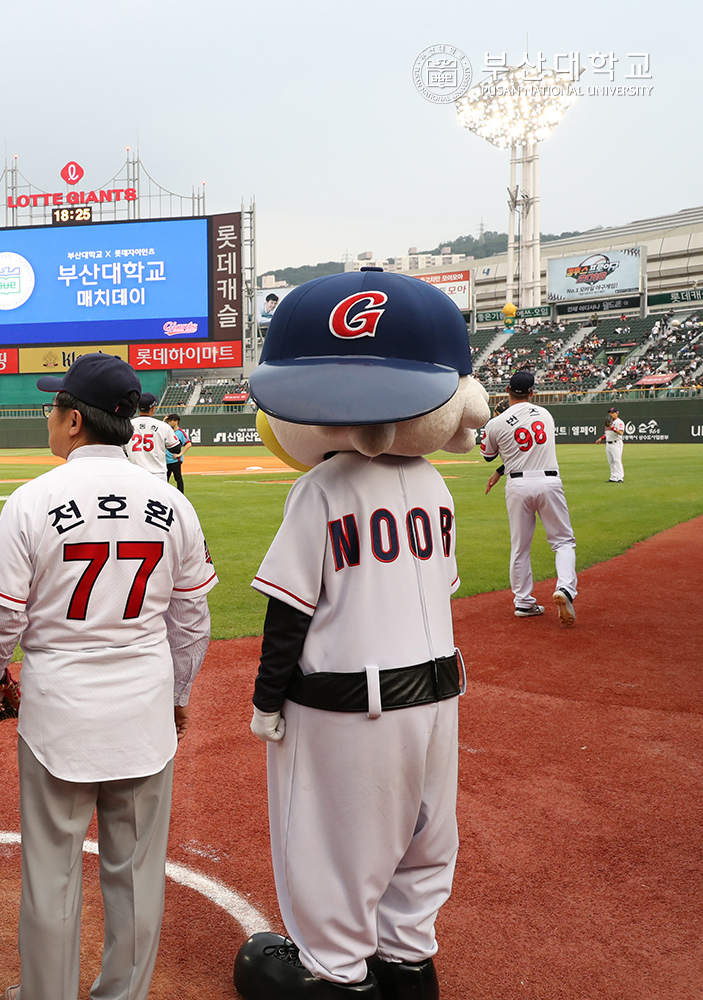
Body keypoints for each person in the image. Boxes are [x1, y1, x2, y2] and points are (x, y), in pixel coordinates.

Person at [236, 267, 491, 1000]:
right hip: (439, 699)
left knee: (327, 862)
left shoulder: (321, 487)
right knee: (420, 859)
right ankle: (408, 970)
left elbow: (290, 612)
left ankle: (335, 977)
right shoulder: (435, 483)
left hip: (347, 708)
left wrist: (266, 699)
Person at [0, 352, 217, 1000]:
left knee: (51, 876)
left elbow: (0, 618)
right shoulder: (172, 505)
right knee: (135, 878)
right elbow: (192, 624)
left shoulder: (30, 502)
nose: (49, 416)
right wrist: (180, 695)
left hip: (59, 716)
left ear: (75, 421)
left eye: (55, 407)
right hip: (142, 710)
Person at [482, 369, 578, 626]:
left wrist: (500, 467)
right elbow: (532, 449)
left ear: (507, 391)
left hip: (517, 485)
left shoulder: (497, 422)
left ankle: (523, 602)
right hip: (548, 482)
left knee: (520, 547)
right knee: (563, 542)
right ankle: (565, 589)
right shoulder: (546, 414)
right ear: (533, 392)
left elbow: (488, 455)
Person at [124, 392, 179, 480]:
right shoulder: (163, 426)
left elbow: (122, 450)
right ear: (153, 408)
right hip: (158, 475)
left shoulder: (127, 425)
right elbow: (176, 449)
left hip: (135, 474)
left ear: (137, 407)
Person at [597, 406, 624, 482]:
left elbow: (621, 432)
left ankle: (620, 477)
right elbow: (607, 433)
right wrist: (601, 438)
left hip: (616, 443)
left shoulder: (619, 422)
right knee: (611, 461)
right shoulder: (609, 422)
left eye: (612, 412)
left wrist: (612, 427)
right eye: (610, 412)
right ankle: (613, 477)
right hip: (608, 444)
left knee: (617, 460)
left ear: (617, 413)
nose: (611, 414)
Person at [163, 413, 189, 493]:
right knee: (164, 479)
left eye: (171, 420)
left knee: (178, 479)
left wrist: (180, 454)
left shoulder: (180, 432)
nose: (169, 422)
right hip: (165, 460)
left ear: (176, 421)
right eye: (169, 420)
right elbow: (160, 429)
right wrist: (164, 420)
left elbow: (188, 444)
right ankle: (164, 494)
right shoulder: (167, 431)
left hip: (175, 460)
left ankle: (181, 495)